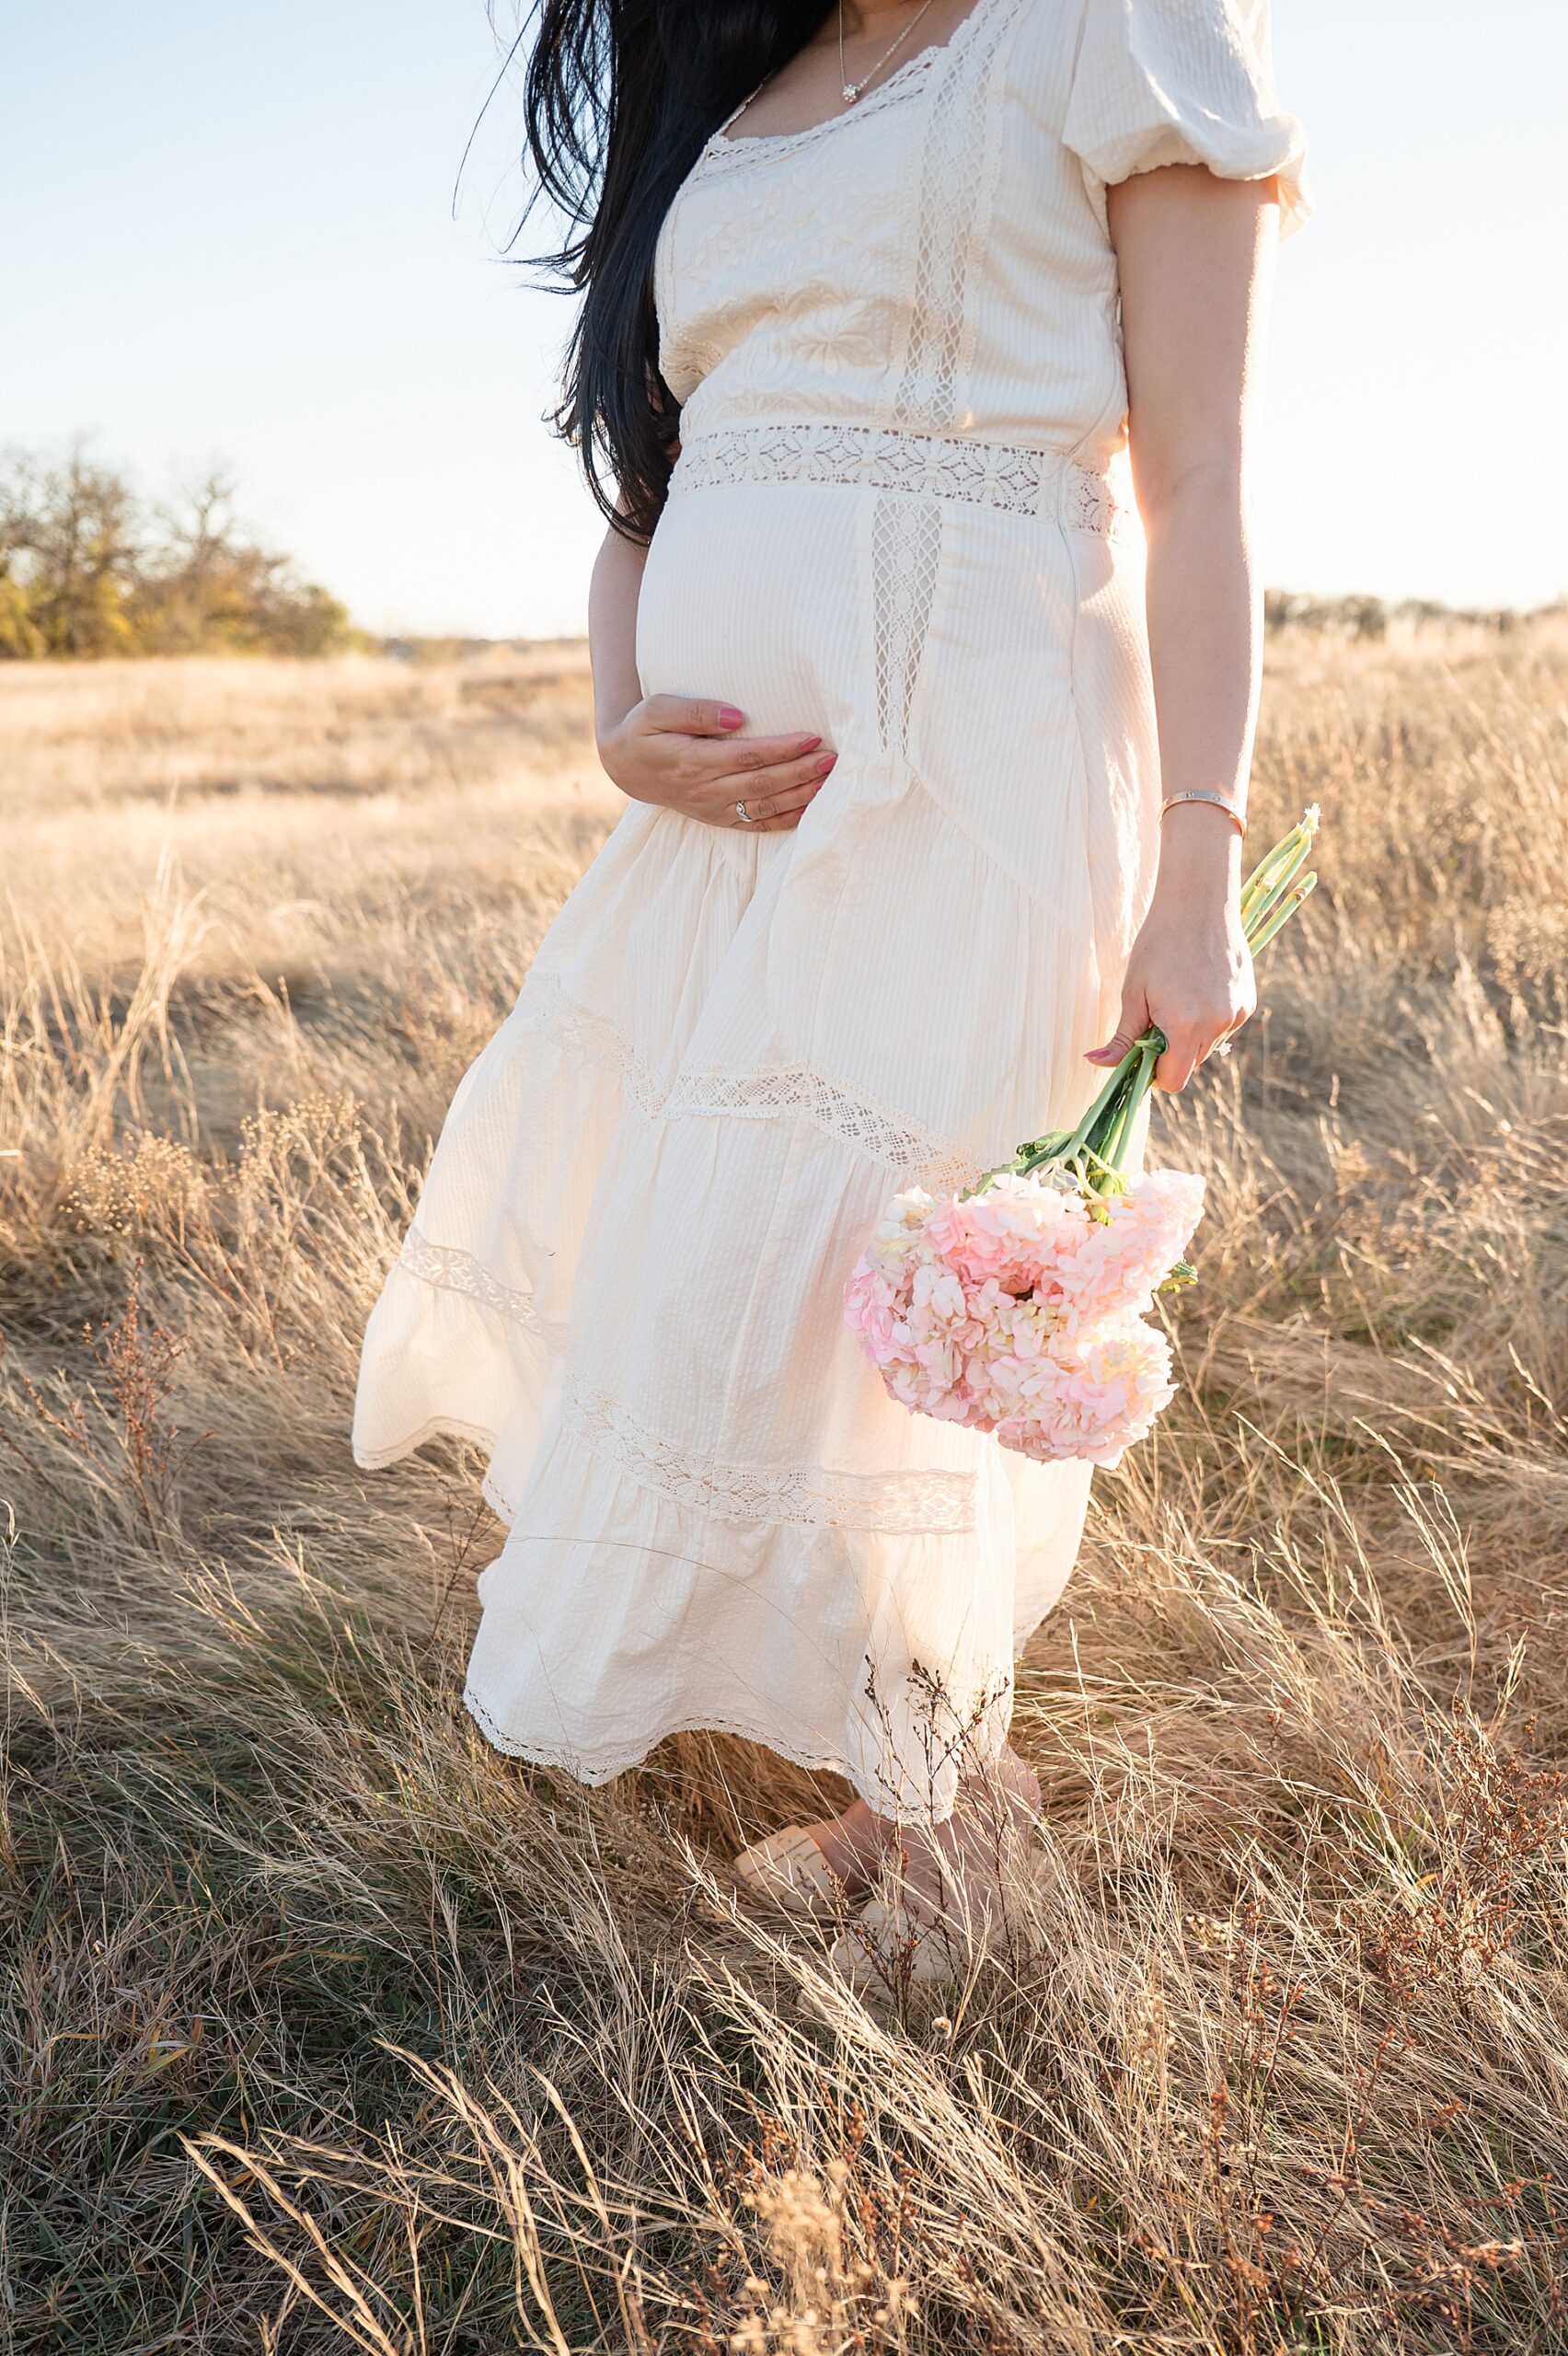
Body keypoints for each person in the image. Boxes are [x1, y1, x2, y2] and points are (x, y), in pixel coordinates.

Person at [354, 0, 1308, 1976]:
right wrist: (620, 723)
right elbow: (649, 484)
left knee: (906, 1295)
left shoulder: (1109, 25)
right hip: (717, 836)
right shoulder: (733, 99)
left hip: (977, 756)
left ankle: (964, 1822)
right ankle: (906, 1781)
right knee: (759, 1281)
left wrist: (1201, 852)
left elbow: (1199, 475)